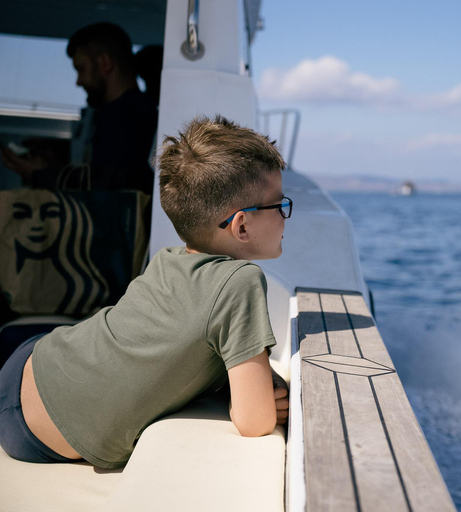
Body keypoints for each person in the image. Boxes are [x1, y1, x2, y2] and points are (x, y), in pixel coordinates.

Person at [0, 115, 291, 468]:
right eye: (280, 205)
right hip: (31, 433)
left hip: (33, 361)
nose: (285, 215)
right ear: (241, 225)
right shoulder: (240, 282)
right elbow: (255, 421)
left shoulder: (170, 258)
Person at [1, 23, 158, 194]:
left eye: (81, 69)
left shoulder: (124, 116)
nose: (78, 81)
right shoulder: (132, 112)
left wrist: (39, 174)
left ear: (104, 63)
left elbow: (105, 191)